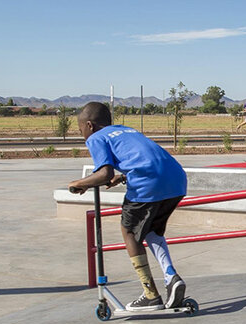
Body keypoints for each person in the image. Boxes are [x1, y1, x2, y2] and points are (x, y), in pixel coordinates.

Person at [68, 102, 187, 311]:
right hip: (176, 179)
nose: (83, 136)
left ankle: (150, 294)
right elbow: (141, 157)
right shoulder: (125, 129)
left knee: (129, 231)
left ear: (89, 125)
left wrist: (78, 184)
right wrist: (124, 177)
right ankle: (171, 278)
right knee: (151, 230)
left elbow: (105, 173)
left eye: (81, 131)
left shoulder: (96, 137)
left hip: (148, 183)